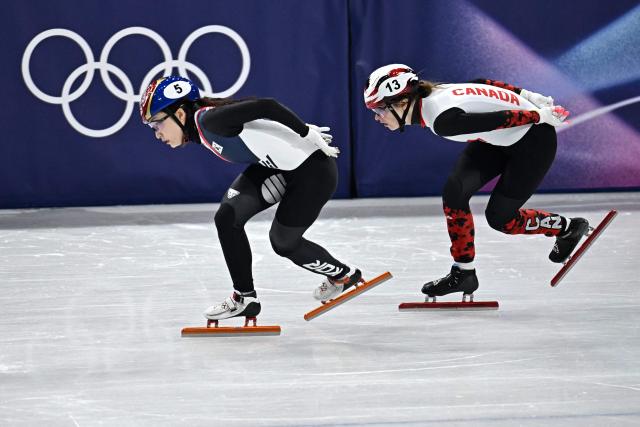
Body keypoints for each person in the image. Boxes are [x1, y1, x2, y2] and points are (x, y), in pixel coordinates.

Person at [140, 75, 363, 322]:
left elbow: (266, 105)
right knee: (227, 218)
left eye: (156, 124)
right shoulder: (202, 127)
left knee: (283, 242)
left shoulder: (208, 120)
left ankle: (343, 275)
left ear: (180, 115)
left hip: (313, 171)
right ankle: (244, 298)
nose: (156, 133)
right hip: (277, 167)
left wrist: (304, 131)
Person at [363, 64, 588, 300]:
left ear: (401, 102)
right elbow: (482, 82)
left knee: (501, 219)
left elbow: (500, 119)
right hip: (501, 137)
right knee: (455, 192)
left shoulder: (442, 120)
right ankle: (464, 273)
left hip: (533, 142)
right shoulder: (436, 94)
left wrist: (538, 115)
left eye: (379, 109)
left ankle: (568, 228)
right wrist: (529, 97)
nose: (377, 117)